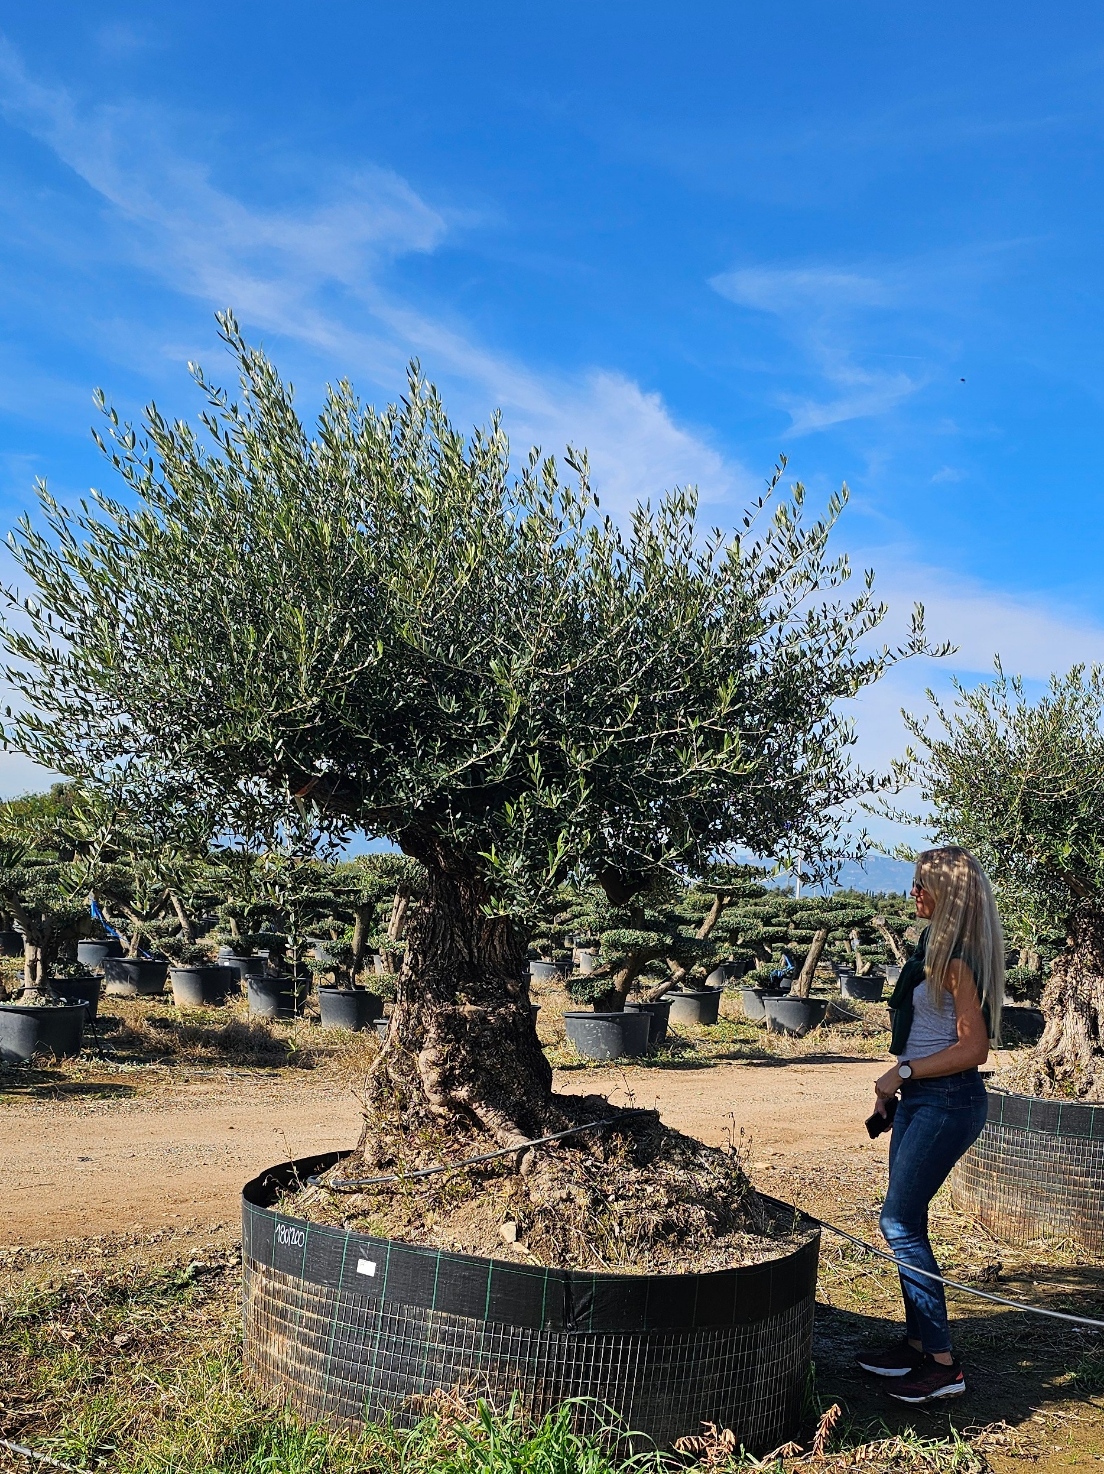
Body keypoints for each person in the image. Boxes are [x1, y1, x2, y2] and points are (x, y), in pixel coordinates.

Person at [856, 845, 1004, 1403]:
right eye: (913, 883)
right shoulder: (932, 947)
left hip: (948, 1100)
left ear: (949, 895)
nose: (913, 893)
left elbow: (974, 1048)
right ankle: (918, 1345)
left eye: (922, 884)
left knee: (897, 1221)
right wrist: (899, 1086)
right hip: (923, 1098)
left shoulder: (956, 959)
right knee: (907, 1218)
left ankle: (943, 1365)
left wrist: (903, 1071)